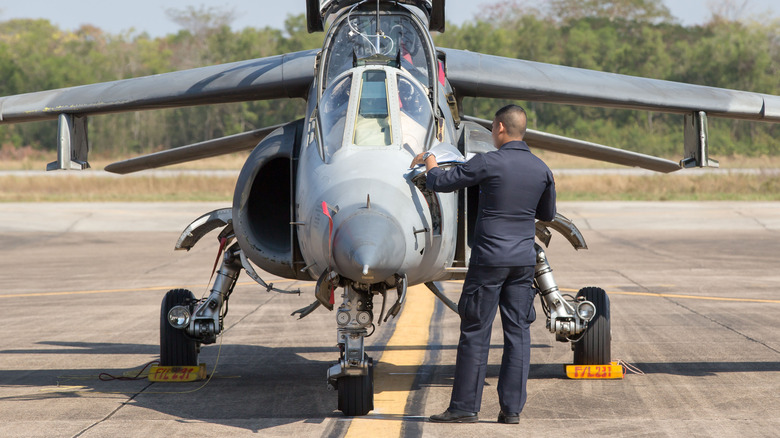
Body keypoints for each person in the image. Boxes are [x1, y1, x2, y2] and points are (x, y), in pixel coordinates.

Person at [409, 104, 556, 424]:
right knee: (518, 333)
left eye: (492, 127)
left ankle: (464, 407)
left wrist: (430, 163)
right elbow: (547, 215)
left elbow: (443, 182)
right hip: (522, 262)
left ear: (501, 128)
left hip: (489, 260)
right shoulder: (541, 168)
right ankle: (511, 410)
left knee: (475, 331)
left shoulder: (489, 162)